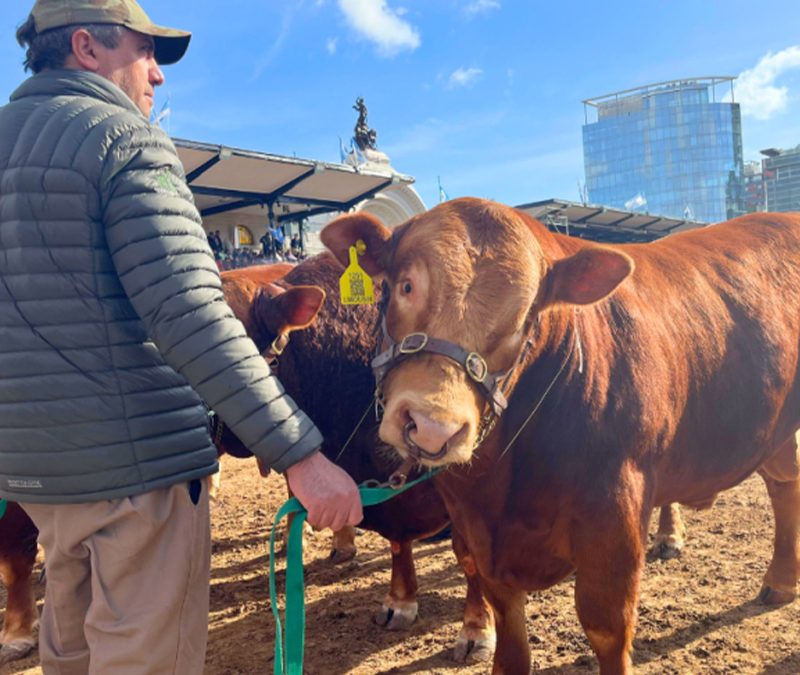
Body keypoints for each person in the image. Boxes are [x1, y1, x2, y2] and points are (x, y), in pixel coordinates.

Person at [0, 1, 363, 673]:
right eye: (145, 52)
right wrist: (300, 454)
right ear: (86, 47)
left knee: (72, 652)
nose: (157, 74)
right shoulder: (122, 140)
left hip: (35, 476)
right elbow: (189, 310)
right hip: (138, 470)